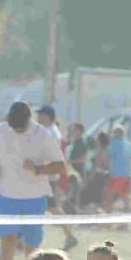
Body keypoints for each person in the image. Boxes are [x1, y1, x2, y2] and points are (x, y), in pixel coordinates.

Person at [0, 101, 67, 260]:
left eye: (20, 128)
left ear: (28, 121)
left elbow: (61, 166)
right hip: (5, 195)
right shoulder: (0, 131)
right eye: (14, 127)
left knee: (32, 252)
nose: (17, 131)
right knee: (7, 244)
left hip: (34, 197)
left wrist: (39, 168)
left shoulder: (42, 134)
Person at [36, 105, 78, 251]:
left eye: (40, 114)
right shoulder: (51, 131)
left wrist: (40, 169)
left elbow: (50, 155)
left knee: (51, 207)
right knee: (49, 207)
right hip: (46, 175)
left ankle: (69, 235)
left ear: (47, 116)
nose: (38, 117)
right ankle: (69, 235)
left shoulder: (49, 132)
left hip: (46, 175)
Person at [105, 127, 131, 211]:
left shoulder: (114, 143)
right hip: (127, 173)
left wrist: (109, 171)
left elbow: (109, 157)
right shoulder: (129, 144)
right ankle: (127, 214)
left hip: (117, 174)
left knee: (110, 193)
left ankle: (108, 213)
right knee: (124, 195)